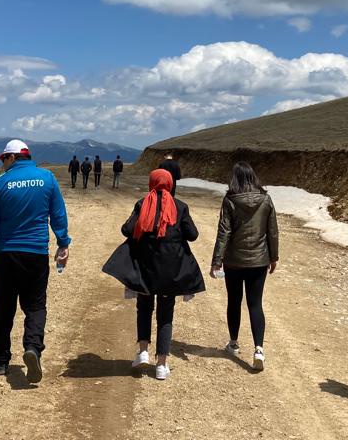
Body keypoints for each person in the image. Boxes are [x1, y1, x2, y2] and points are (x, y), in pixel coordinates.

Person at [0, 139, 72, 384]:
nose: (1, 166)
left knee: (3, 307)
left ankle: (0, 359)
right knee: (36, 305)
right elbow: (58, 214)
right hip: (36, 253)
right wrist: (63, 243)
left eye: (3, 160)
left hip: (7, 254)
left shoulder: (0, 184)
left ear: (12, 158)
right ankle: (33, 348)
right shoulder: (47, 178)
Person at [102, 169, 205, 380]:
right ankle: (161, 365)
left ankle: (142, 352)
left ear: (152, 183)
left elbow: (126, 229)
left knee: (144, 308)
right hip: (171, 272)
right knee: (166, 314)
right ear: (169, 184)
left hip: (146, 269)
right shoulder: (180, 207)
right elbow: (193, 235)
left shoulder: (142, 204)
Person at [210, 162, 278, 371]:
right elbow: (273, 230)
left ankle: (233, 342)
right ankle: (259, 348)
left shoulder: (230, 200)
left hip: (234, 260)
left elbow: (224, 232)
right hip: (259, 260)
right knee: (255, 303)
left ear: (235, 178)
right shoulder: (266, 199)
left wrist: (216, 260)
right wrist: (273, 257)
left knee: (234, 300)